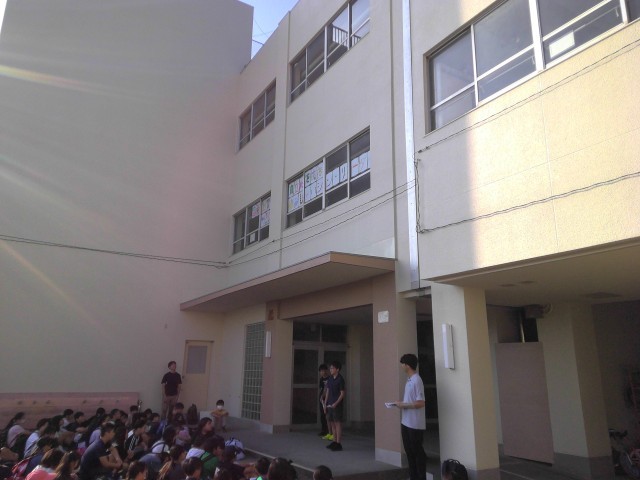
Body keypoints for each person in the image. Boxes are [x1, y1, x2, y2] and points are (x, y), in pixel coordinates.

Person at [394, 353, 426, 480]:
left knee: (417, 452)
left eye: (403, 364)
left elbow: (421, 403)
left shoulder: (417, 380)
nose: (401, 366)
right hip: (406, 422)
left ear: (407, 365)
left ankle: (421, 476)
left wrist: (403, 405)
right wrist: (401, 403)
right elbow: (411, 401)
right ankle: (413, 476)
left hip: (415, 424)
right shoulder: (409, 380)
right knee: (409, 451)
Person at [322, 361, 345, 451]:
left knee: (337, 423)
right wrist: (325, 403)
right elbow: (327, 391)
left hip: (336, 405)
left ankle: (338, 443)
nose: (330, 370)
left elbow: (342, 394)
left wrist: (336, 403)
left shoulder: (340, 379)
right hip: (329, 404)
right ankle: (334, 441)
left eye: (332, 368)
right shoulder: (330, 379)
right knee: (331, 423)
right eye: (330, 368)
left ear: (337, 369)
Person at [317, 365, 330, 438]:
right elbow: (321, 388)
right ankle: (323, 430)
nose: (323, 372)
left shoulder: (330, 378)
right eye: (321, 371)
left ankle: (329, 431)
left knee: (328, 414)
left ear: (326, 371)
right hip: (322, 398)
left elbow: (327, 389)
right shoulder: (321, 379)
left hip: (328, 398)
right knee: (322, 414)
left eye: (324, 370)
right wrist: (321, 397)